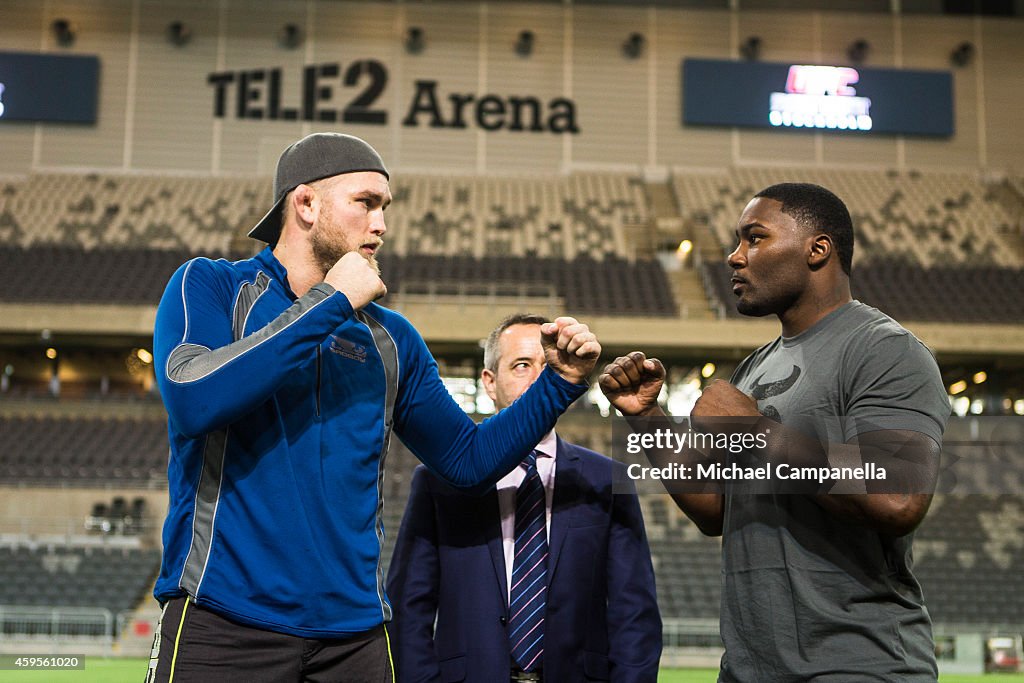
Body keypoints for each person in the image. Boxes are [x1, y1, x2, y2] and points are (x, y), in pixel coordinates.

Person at [147, 133, 601, 683]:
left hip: (356, 638)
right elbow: (194, 399)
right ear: (306, 205)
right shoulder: (213, 285)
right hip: (222, 622)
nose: (381, 224)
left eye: (385, 207)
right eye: (365, 202)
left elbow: (467, 460)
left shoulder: (392, 339)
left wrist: (560, 384)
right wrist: (330, 303)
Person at [600, 183, 950, 682]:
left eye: (755, 238)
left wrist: (755, 430)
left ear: (817, 249)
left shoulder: (885, 350)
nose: (734, 256)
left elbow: (897, 498)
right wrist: (646, 417)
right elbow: (715, 510)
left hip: (856, 665)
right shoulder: (753, 369)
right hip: (749, 669)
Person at [386, 313, 661, 683]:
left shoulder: (606, 479)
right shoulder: (436, 481)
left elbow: (634, 613)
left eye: (549, 366)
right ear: (489, 382)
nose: (539, 378)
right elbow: (408, 608)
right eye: (521, 365)